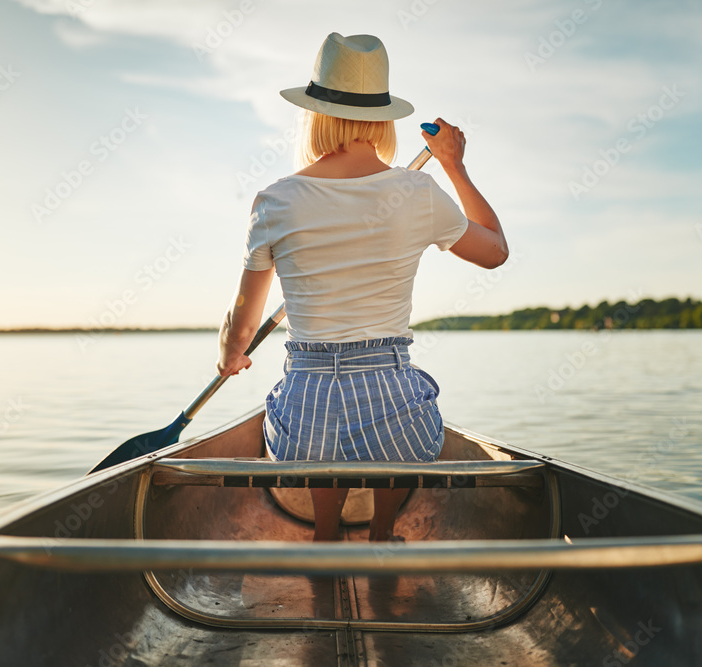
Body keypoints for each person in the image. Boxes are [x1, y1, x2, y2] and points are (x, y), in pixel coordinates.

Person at [217, 33, 507, 542]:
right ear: (383, 118)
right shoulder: (417, 191)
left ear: (316, 115)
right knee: (396, 414)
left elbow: (242, 322)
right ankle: (381, 532)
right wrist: (454, 166)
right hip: (394, 413)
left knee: (315, 417)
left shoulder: (275, 200)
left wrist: (230, 354)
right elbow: (495, 251)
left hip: (303, 428)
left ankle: (325, 534)